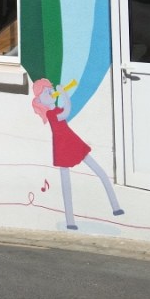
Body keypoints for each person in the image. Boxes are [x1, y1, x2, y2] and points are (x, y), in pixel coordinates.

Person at [31, 78, 123, 230]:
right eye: (46, 92)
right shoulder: (51, 115)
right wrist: (64, 94)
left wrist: (63, 94)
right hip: (63, 146)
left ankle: (115, 206)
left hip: (72, 142)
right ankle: (70, 221)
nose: (51, 93)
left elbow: (65, 111)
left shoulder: (55, 110)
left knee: (99, 171)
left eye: (50, 90)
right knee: (66, 184)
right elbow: (66, 112)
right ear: (40, 100)